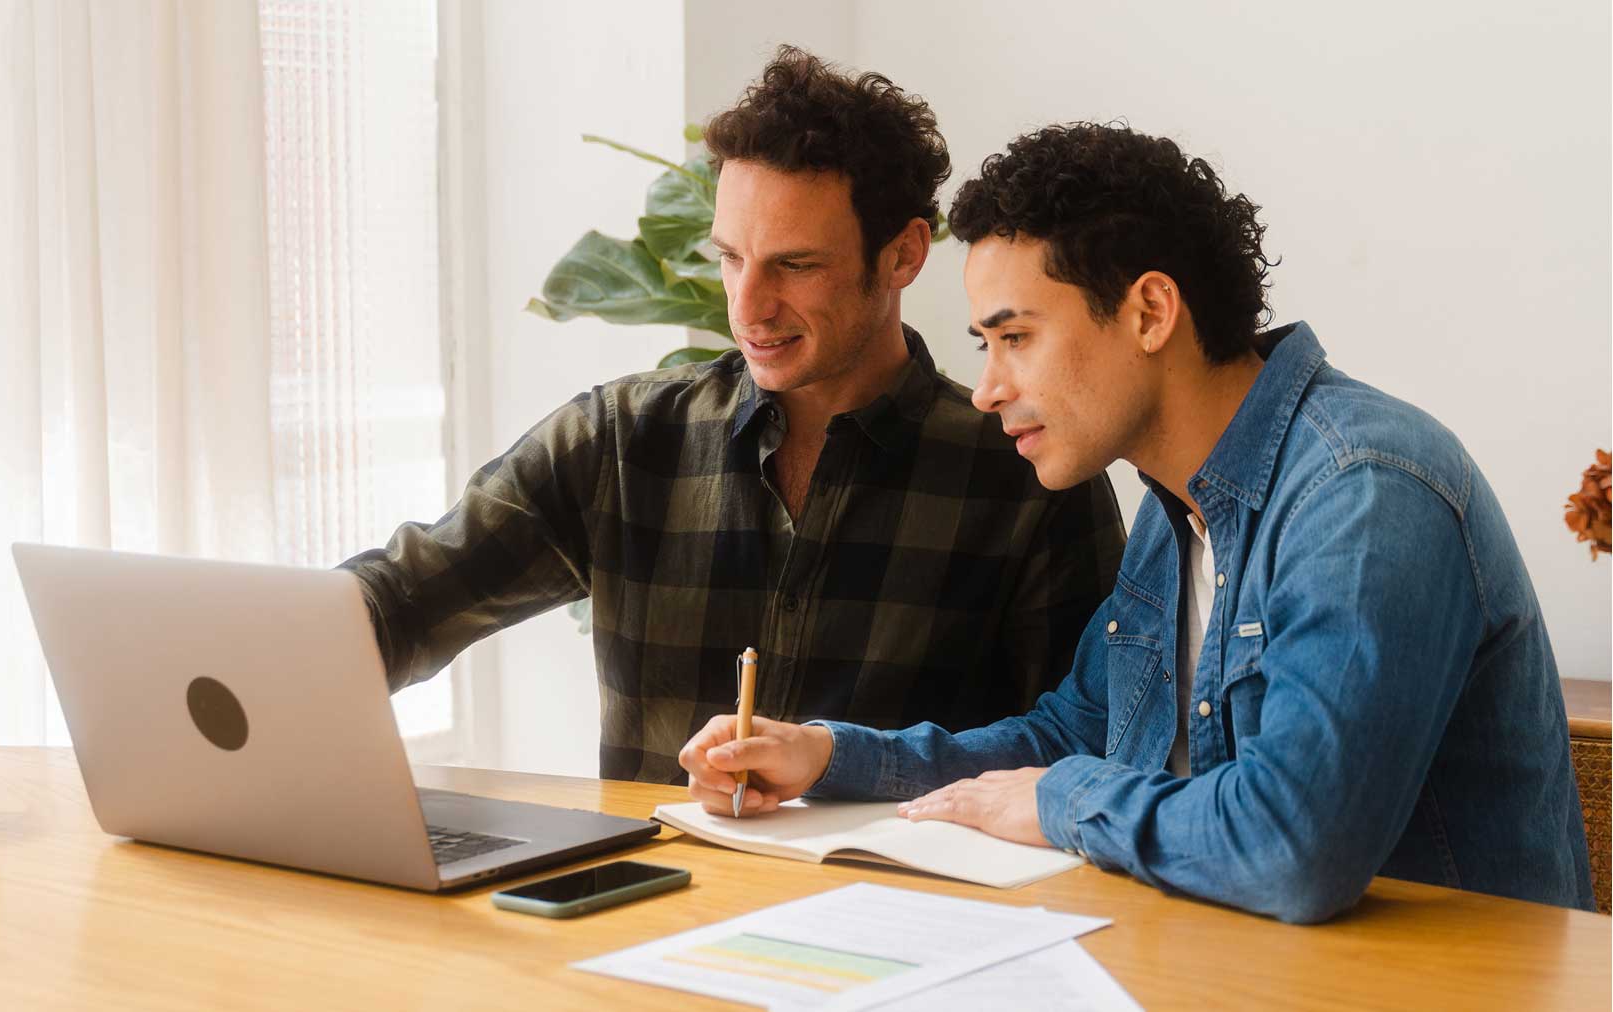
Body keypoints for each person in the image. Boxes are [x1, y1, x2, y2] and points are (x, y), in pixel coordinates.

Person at [679, 122, 1595, 921]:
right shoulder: (1176, 513)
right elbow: (1067, 735)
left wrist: (1063, 802)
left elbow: (1298, 845)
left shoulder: (1365, 494)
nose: (990, 388)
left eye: (1017, 337)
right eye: (983, 347)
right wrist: (827, 754)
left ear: (1151, 311)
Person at [340, 50, 1125, 783]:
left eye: (795, 264)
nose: (747, 307)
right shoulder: (622, 440)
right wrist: (259, 652)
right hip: (647, 918)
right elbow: (405, 601)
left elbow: (1080, 751)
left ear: (903, 256)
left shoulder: (1028, 475)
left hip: (901, 921)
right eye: (730, 257)